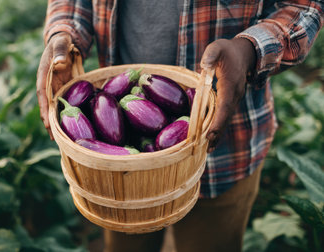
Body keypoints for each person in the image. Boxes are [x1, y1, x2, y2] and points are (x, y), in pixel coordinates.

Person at [36, 1, 323, 251]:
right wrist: (64, 31)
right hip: (116, 172)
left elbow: (304, 6)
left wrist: (249, 51)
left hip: (227, 141)